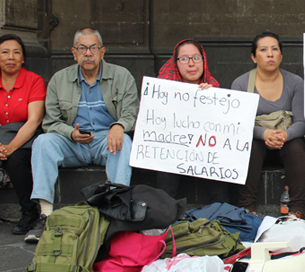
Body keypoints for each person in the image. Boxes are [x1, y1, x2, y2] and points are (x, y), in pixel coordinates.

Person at [25, 28, 139, 243]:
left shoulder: (121, 76)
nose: (88, 53)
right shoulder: (59, 79)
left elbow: (131, 111)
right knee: (43, 142)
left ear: (102, 52)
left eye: (93, 48)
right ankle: (45, 214)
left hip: (106, 141)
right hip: (72, 143)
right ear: (74, 53)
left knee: (125, 142)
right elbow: (50, 122)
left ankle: (116, 211)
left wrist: (119, 126)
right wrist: (71, 133)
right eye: (82, 48)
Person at [231, 32, 305, 218]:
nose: (270, 54)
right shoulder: (240, 84)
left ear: (281, 55)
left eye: (275, 49)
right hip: (258, 143)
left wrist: (285, 135)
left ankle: (297, 210)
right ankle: (247, 208)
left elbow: (302, 123)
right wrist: (263, 134)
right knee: (251, 146)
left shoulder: (296, 82)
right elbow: (237, 124)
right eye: (263, 50)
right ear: (253, 57)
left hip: (284, 142)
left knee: (296, 146)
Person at [156, 39, 229, 202]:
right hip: (174, 148)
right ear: (175, 63)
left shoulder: (214, 87)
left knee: (218, 157)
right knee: (165, 163)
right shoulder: (162, 90)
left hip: (204, 150)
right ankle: (164, 219)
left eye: (196, 58)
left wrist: (212, 98)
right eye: (184, 59)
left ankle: (221, 214)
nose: (191, 64)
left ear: (203, 61)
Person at [0, 35, 45, 235]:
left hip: (24, 137)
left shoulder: (33, 80)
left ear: (23, 58)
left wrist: (9, 148)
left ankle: (29, 212)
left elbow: (34, 120)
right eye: (5, 52)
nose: (11, 57)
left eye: (16, 52)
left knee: (16, 160)